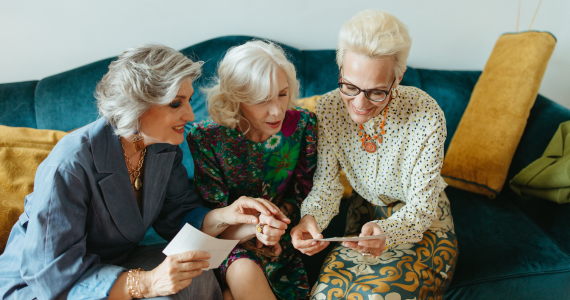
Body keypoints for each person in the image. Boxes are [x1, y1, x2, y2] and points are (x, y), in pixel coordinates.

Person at [0, 44, 286, 300]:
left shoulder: (162, 148)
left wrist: (229, 216)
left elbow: (178, 218)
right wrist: (146, 283)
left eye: (187, 101)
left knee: (193, 272)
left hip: (113, 262)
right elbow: (51, 275)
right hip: (43, 285)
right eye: (176, 103)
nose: (189, 115)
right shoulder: (69, 165)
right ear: (137, 106)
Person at [291, 10, 459, 299]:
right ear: (340, 69)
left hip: (421, 223)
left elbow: (421, 207)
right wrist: (310, 219)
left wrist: (389, 232)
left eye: (376, 92)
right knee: (324, 295)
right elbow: (327, 185)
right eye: (350, 86)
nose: (358, 103)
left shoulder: (426, 114)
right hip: (362, 215)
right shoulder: (329, 108)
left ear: (398, 79)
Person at [187, 40, 318, 300]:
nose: (277, 110)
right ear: (236, 99)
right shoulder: (207, 138)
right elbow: (213, 221)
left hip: (285, 238)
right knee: (242, 271)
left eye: (282, 94)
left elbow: (305, 193)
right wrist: (257, 228)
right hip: (232, 242)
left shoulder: (304, 124)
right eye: (261, 100)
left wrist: (278, 224)